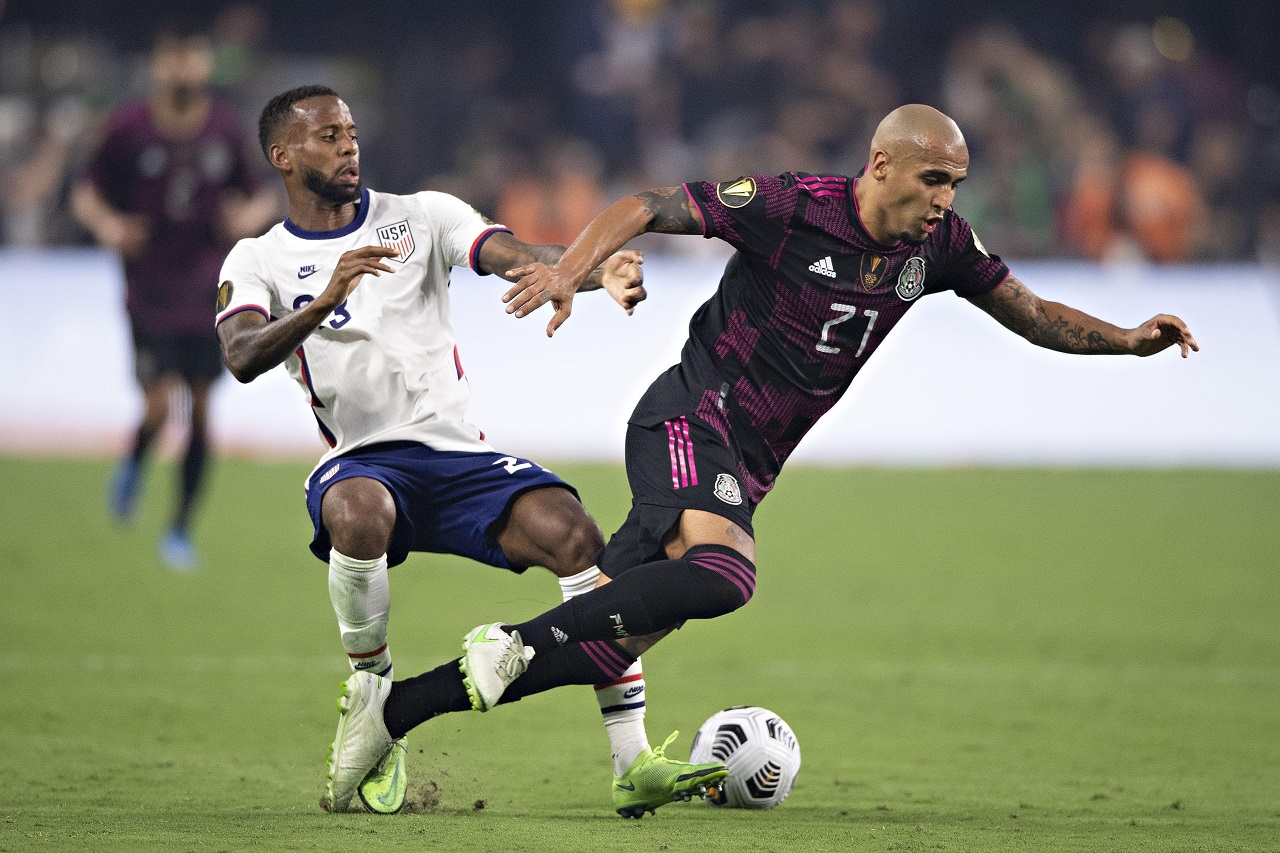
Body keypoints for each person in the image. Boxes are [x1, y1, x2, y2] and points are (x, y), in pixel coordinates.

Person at [314, 103, 1202, 812]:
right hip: (688, 416)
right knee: (726, 574)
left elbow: (1030, 310)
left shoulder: (938, 249)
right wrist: (567, 269)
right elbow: (646, 205)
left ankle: (394, 711)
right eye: (935, 178)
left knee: (608, 642)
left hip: (747, 457)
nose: (946, 197)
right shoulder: (792, 206)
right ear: (882, 164)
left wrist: (1126, 340)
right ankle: (507, 641)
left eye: (957, 183)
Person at [214, 85, 727, 816]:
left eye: (352, 132)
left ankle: (630, 758)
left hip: (458, 459)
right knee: (357, 512)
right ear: (283, 156)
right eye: (328, 136)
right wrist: (323, 302)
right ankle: (373, 695)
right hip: (359, 458)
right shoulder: (259, 256)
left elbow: (515, 254)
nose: (349, 146)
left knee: (575, 533)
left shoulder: (422, 216)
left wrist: (590, 266)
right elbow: (238, 354)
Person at [71, 25, 278, 569]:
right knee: (159, 406)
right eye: (175, 56)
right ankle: (137, 461)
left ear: (206, 63)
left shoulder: (225, 130)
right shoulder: (129, 128)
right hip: (149, 290)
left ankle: (180, 530)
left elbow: (260, 197)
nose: (185, 67)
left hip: (208, 290)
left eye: (193, 55)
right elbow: (87, 193)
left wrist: (247, 218)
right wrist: (109, 226)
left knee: (204, 410)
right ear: (159, 63)